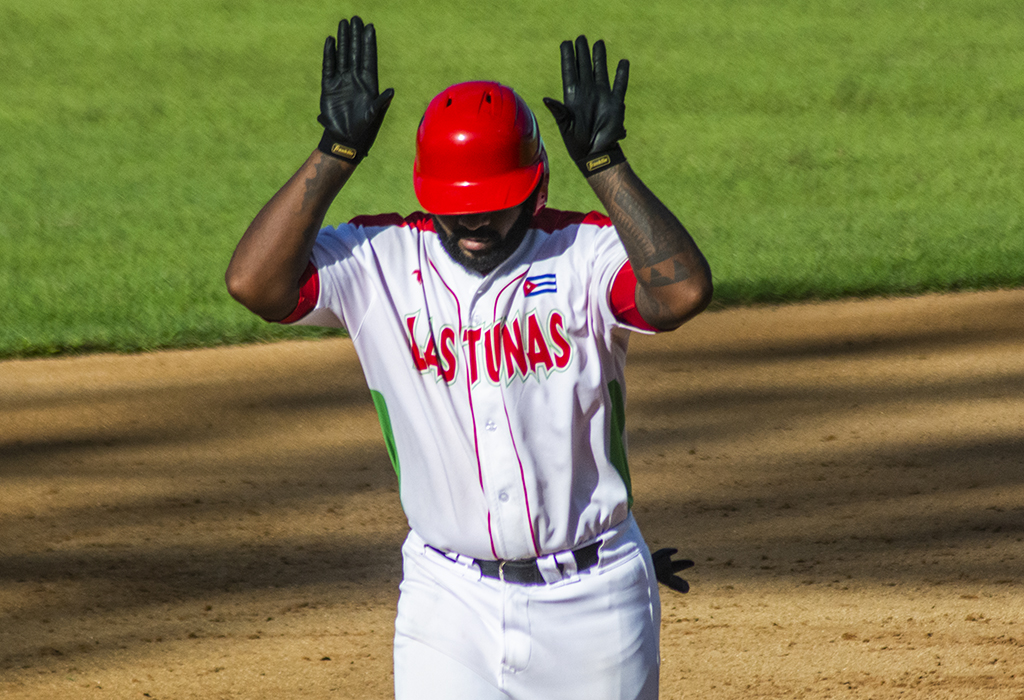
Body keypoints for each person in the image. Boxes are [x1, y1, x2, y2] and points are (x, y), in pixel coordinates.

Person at [226, 15, 712, 700]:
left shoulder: (585, 253)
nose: (475, 225)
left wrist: (607, 167)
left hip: (595, 600)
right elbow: (254, 284)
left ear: (537, 187)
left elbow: (681, 292)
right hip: (446, 600)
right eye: (457, 207)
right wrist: (335, 152)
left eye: (494, 204)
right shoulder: (379, 260)